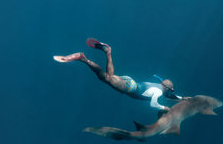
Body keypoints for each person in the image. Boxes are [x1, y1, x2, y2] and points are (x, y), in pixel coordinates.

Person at [54, 38, 189, 111]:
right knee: (108, 77)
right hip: (129, 87)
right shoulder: (158, 93)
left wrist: (182, 98)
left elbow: (170, 94)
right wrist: (164, 107)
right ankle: (107, 52)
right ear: (165, 88)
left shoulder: (160, 88)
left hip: (130, 82)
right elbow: (153, 105)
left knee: (103, 77)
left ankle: (83, 58)